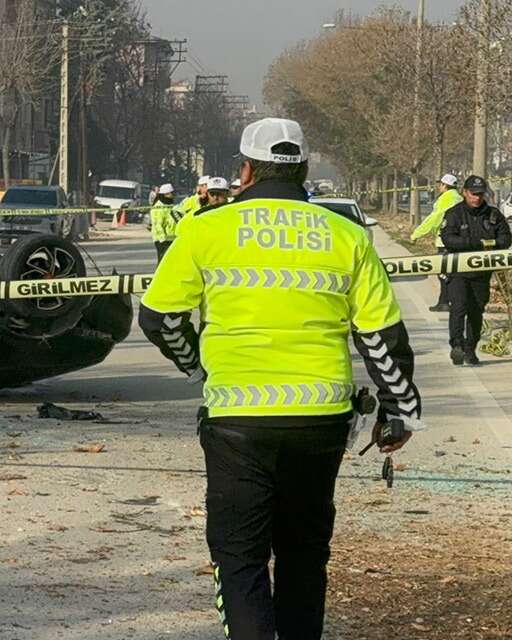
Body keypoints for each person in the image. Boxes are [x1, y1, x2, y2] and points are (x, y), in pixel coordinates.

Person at [140, 117, 423, 639]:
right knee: (304, 558)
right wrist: (400, 409)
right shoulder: (346, 234)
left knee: (240, 558)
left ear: (244, 171)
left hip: (236, 424)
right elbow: (381, 336)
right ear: (305, 170)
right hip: (319, 424)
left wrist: (196, 365)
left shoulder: (204, 229)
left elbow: (160, 319)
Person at [440, 175, 512, 366]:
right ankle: (457, 345)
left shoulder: (493, 215)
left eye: (480, 194)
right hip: (458, 272)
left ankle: (470, 349)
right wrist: (471, 243)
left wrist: (492, 243)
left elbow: (505, 239)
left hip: (481, 274)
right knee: (458, 308)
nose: (477, 198)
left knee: (476, 311)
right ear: (465, 192)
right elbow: (448, 238)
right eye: (473, 194)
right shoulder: (454, 214)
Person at [410, 174, 463, 312]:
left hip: (445, 242)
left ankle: (445, 302)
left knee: (444, 273)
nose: (438, 186)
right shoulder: (459, 198)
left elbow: (434, 219)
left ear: (445, 186)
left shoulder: (446, 199)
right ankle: (447, 301)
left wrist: (417, 233)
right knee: (452, 272)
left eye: (440, 184)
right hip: (458, 240)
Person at [149, 183, 177, 262]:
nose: (173, 195)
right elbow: (157, 224)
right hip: (162, 240)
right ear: (166, 194)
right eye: (171, 193)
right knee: (163, 261)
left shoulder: (169, 205)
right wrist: (163, 239)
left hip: (171, 238)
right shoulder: (159, 207)